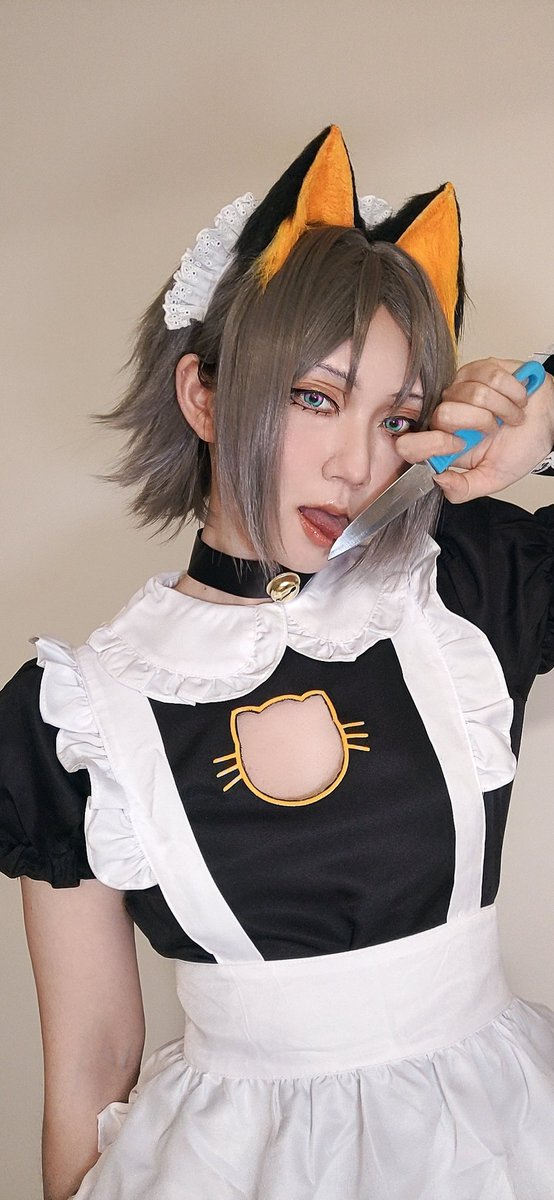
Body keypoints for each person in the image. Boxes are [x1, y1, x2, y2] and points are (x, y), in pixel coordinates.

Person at [1, 125, 553, 1200]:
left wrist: (546, 433)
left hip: (499, 1138)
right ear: (204, 396)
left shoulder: (466, 587)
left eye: (398, 418)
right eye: (315, 398)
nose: (356, 463)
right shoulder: (74, 713)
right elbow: (92, 1063)